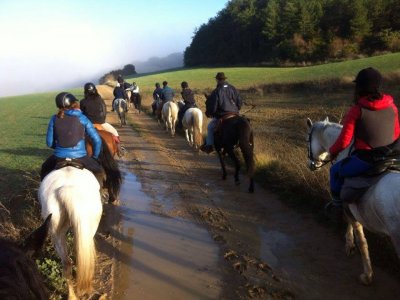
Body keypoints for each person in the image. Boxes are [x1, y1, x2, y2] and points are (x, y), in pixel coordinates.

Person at [326, 67, 400, 219]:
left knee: (335, 171)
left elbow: (344, 141)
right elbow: (396, 133)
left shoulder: (357, 110)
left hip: (368, 159)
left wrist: (332, 152)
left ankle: (337, 205)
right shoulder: (392, 106)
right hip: (393, 156)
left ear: (359, 88)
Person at [40, 92, 103, 182]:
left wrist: (59, 148)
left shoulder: (54, 119)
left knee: (44, 168)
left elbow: (49, 143)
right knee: (99, 172)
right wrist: (95, 157)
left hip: (58, 157)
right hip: (80, 157)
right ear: (74, 104)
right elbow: (97, 140)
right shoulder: (83, 118)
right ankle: (102, 193)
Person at [200, 72, 242, 154]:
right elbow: (239, 102)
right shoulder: (233, 88)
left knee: (210, 127)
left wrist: (212, 113)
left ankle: (209, 146)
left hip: (223, 115)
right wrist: (237, 109)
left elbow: (214, 106)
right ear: (225, 79)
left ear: (217, 80)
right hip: (235, 113)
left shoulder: (217, 91)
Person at [80, 82, 125, 157]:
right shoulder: (100, 99)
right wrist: (102, 121)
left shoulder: (82, 102)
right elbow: (104, 112)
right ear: (95, 90)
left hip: (88, 125)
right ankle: (119, 150)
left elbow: (82, 115)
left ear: (85, 91)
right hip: (101, 123)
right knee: (115, 132)